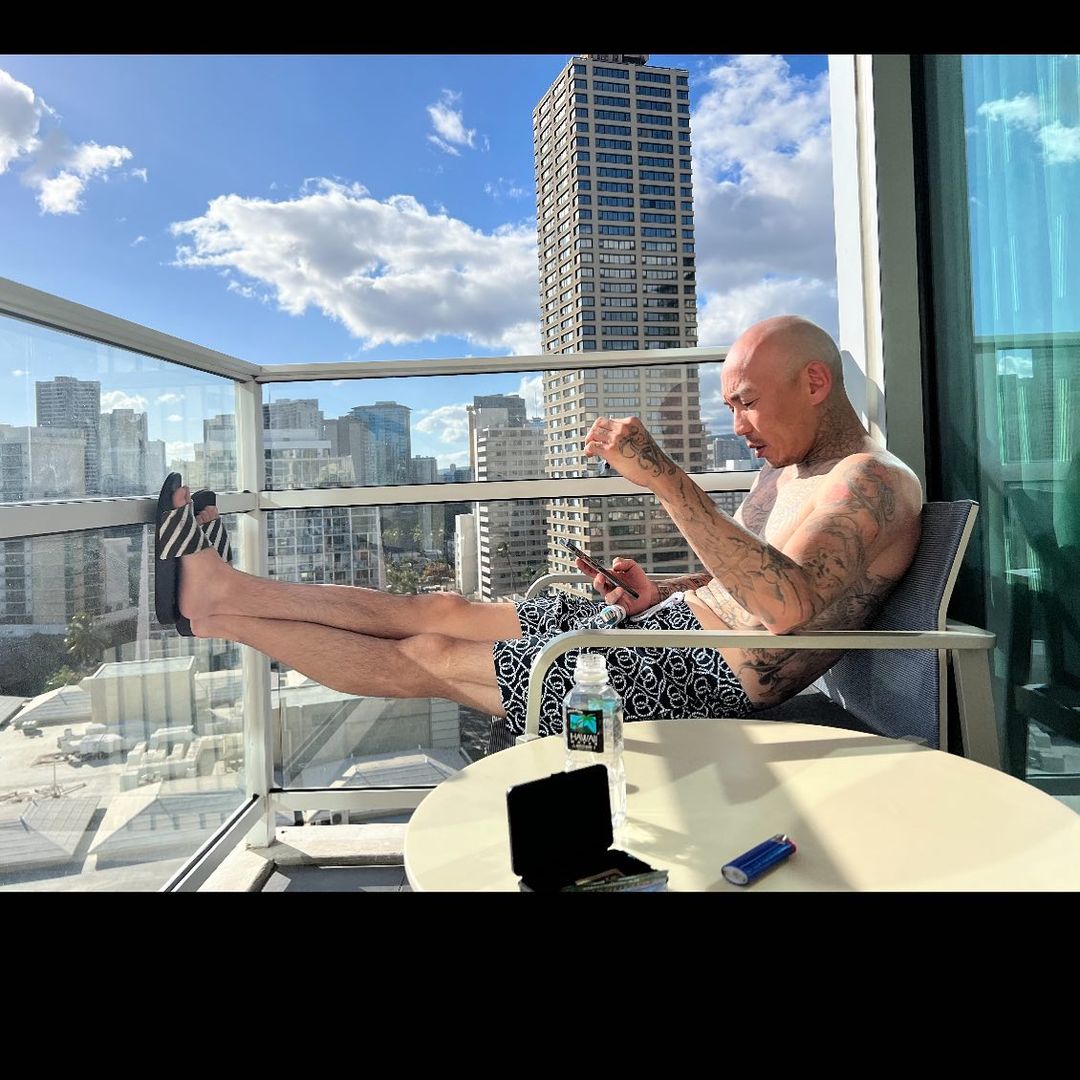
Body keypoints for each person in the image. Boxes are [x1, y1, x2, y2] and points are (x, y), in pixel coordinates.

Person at [159, 315, 923, 744]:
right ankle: (231, 592)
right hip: (665, 627)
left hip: (701, 676)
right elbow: (751, 577)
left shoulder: (872, 482)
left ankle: (221, 613)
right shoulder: (789, 470)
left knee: (431, 655)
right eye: (730, 407)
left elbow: (788, 606)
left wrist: (666, 477)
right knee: (440, 608)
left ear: (814, 382)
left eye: (746, 403)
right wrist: (665, 588)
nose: (739, 425)